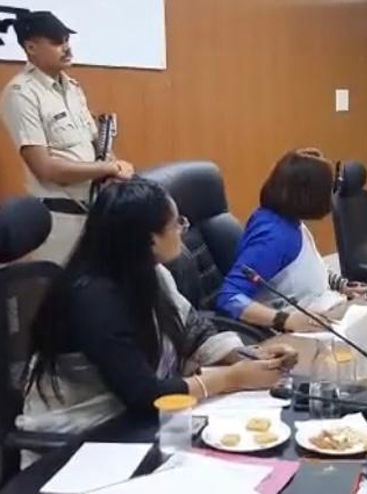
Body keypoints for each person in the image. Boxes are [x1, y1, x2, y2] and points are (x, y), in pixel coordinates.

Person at [18, 179, 297, 435]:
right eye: (177, 224)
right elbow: (143, 395)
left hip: (132, 421)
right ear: (150, 239)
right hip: (83, 435)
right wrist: (231, 379)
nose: (183, 230)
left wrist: (251, 356)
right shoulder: (92, 299)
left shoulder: (151, 272)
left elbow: (193, 330)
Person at [0, 11, 134, 265]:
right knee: (61, 288)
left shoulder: (72, 88)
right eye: (56, 42)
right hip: (60, 222)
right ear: (31, 47)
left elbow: (96, 145)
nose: (66, 48)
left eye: (66, 40)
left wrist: (113, 169)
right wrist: (108, 168)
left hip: (96, 212)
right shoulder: (21, 94)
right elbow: (45, 168)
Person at [216, 149, 360, 333]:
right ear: (308, 194)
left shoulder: (290, 221)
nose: (332, 195)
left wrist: (342, 286)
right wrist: (285, 320)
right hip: (302, 335)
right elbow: (228, 298)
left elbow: (308, 268)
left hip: (328, 315)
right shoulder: (273, 237)